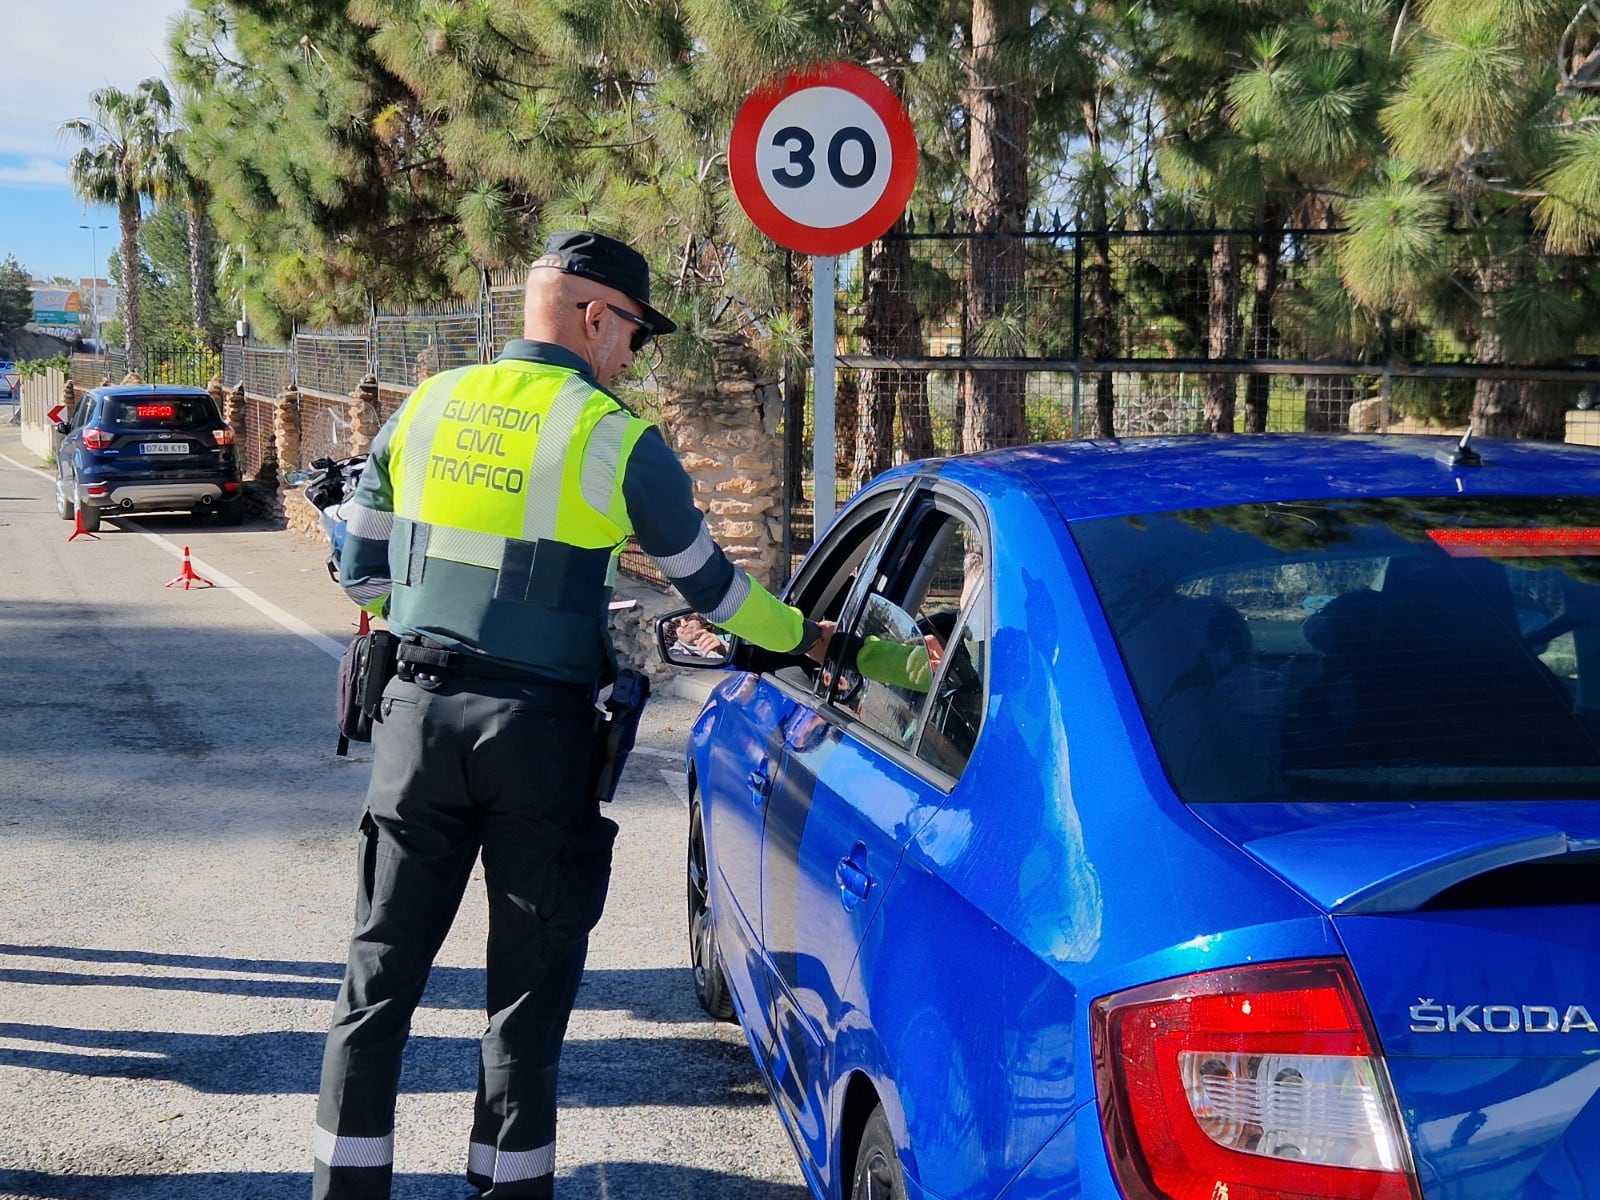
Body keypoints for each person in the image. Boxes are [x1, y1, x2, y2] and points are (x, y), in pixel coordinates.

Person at [313, 229, 833, 1200]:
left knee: (375, 983)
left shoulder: (424, 406)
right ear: (594, 314)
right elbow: (715, 593)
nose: (635, 353)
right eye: (634, 329)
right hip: (538, 739)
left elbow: (364, 575)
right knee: (524, 1000)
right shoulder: (615, 436)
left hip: (416, 720)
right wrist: (806, 637)